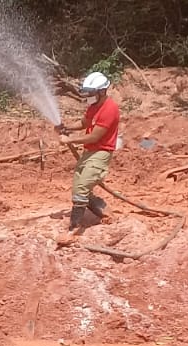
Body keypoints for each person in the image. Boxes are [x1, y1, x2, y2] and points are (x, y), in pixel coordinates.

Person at [56, 71, 120, 243]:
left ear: (101, 92)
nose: (88, 97)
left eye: (91, 94)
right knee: (79, 188)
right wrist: (66, 127)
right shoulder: (94, 106)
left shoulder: (110, 109)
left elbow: (94, 136)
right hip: (89, 152)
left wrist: (70, 139)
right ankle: (105, 211)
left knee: (82, 187)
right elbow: (85, 123)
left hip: (101, 153)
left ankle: (74, 228)